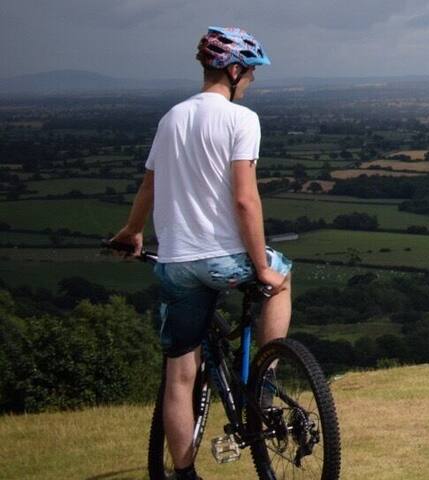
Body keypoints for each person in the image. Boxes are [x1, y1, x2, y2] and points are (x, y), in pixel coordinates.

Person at [110, 26, 287, 480]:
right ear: (232, 70)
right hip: (223, 260)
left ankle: (184, 473)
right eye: (249, 73)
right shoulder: (240, 120)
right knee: (282, 277)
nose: (251, 81)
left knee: (179, 376)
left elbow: (149, 186)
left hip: (175, 263)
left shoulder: (171, 118)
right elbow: (246, 200)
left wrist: (132, 232)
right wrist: (262, 266)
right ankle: (265, 378)